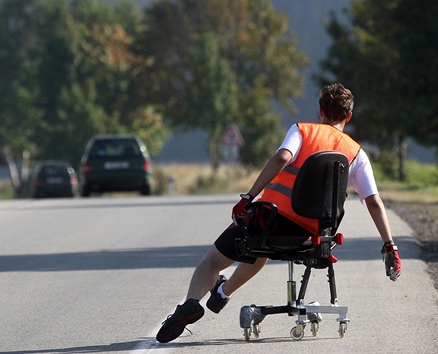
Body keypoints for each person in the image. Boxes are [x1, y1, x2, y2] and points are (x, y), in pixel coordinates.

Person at [155, 83, 402, 344]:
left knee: (217, 259)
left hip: (269, 222)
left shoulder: (302, 131)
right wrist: (390, 245)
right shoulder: (357, 154)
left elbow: (283, 157)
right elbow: (373, 201)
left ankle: (191, 303)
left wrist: (248, 196)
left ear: (320, 111)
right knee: (258, 254)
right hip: (311, 235)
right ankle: (223, 293)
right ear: (348, 116)